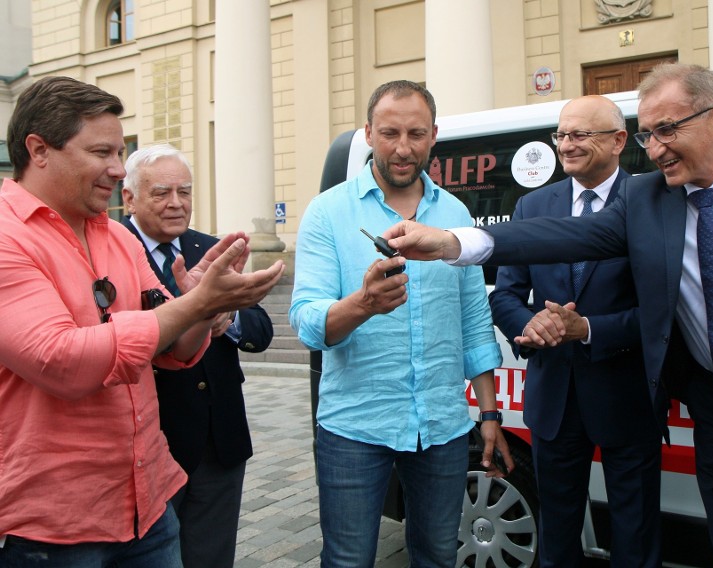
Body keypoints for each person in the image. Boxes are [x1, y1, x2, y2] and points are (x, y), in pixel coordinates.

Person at [384, 63, 713, 568]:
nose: (654, 150)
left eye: (667, 130)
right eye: (648, 135)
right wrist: (454, 241)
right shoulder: (649, 198)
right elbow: (562, 235)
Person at [0, 76, 284, 567]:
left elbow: (172, 351)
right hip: (55, 530)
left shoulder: (116, 237)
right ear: (38, 150)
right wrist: (190, 307)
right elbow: (61, 360)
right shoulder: (9, 238)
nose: (116, 169)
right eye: (103, 153)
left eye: (119, 152)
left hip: (148, 506)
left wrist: (202, 304)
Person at [289, 79, 514, 567]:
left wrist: (491, 413)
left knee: (437, 554)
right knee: (348, 559)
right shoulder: (328, 212)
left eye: (416, 134)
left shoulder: (454, 213)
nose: (403, 147)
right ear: (368, 133)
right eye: (390, 133)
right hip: (354, 427)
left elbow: (473, 319)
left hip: (442, 426)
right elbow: (307, 322)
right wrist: (363, 304)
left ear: (433, 136)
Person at [488, 95, 664, 567]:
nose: (566, 145)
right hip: (555, 394)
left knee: (636, 528)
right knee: (559, 532)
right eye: (561, 135)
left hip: (627, 394)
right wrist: (532, 324)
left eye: (580, 135)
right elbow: (504, 294)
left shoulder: (651, 201)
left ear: (618, 141)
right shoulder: (533, 204)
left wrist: (587, 328)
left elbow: (664, 310)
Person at [120, 143, 274, 568]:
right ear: (129, 197)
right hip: (151, 443)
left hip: (217, 442)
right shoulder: (111, 250)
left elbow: (261, 331)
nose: (176, 203)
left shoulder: (213, 248)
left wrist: (229, 318)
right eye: (162, 193)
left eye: (184, 192)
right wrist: (193, 315)